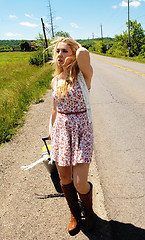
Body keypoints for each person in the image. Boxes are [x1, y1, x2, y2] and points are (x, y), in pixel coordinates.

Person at [49, 37, 94, 236]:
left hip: (82, 129)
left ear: (74, 53)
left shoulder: (84, 76)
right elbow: (54, 109)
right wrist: (51, 132)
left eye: (64, 51)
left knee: (79, 182)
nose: (60, 55)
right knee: (64, 177)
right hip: (61, 129)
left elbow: (84, 54)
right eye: (57, 51)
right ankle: (74, 214)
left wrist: (76, 51)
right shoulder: (55, 80)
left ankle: (89, 212)